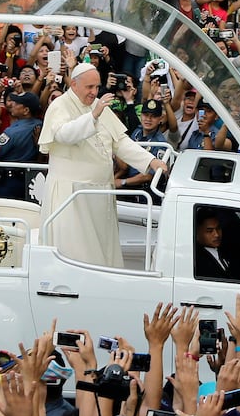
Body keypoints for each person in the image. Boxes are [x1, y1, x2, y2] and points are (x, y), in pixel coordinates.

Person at [38, 63, 168, 267]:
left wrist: (150, 160)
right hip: (72, 196)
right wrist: (93, 116)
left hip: (99, 194)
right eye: (89, 87)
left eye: (97, 87)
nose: (94, 92)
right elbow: (63, 135)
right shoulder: (60, 105)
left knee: (102, 249)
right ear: (74, 84)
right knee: (78, 253)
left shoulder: (97, 105)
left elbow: (120, 141)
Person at [0, 91, 43, 201]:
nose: (12, 104)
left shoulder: (12, 132)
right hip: (28, 180)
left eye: (17, 103)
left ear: (26, 110)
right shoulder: (40, 125)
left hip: (8, 183)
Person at [194, 209, 233, 279]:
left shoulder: (226, 248)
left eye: (218, 228)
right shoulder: (197, 260)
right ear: (197, 234)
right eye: (209, 231)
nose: (216, 234)